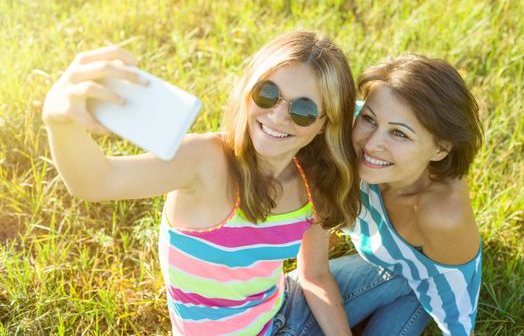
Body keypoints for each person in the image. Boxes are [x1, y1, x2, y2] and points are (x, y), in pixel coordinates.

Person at [42, 31, 362, 335]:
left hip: (286, 312)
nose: (278, 116)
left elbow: (316, 275)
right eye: (268, 93)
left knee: (405, 280)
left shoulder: (313, 182)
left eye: (303, 110)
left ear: (324, 124)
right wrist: (60, 124)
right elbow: (98, 182)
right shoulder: (205, 161)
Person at [339, 53, 483, 336]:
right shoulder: (348, 131)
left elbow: (456, 297)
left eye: (400, 134)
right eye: (369, 118)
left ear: (440, 149)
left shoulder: (441, 214)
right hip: (376, 265)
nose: (371, 144)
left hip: (421, 282)